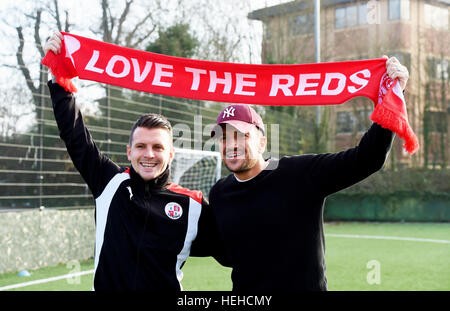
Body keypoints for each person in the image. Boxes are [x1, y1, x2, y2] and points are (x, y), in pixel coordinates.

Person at [208, 57, 409, 291]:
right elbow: (226, 255)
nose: (231, 144)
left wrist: (393, 94)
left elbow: (366, 159)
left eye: (241, 135)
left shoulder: (299, 174)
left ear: (262, 143)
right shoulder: (220, 193)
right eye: (223, 137)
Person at [44, 31, 223, 291]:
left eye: (158, 147)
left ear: (171, 154)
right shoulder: (109, 182)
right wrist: (59, 77)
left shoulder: (193, 206)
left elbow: (232, 248)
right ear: (129, 151)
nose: (149, 154)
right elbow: (74, 135)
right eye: (141, 146)